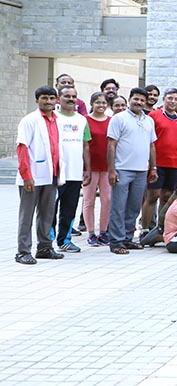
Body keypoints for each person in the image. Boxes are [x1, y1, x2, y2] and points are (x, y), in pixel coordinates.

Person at [15, 86, 65, 265]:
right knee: (26, 214)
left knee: (47, 213)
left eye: (52, 98)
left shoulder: (58, 121)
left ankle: (44, 247)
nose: (49, 102)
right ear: (37, 100)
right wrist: (27, 175)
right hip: (32, 176)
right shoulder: (29, 120)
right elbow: (22, 148)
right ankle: (23, 251)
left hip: (51, 174)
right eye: (44, 98)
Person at [107, 88, 158, 255]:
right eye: (136, 99)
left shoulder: (148, 121)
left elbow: (152, 146)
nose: (139, 103)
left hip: (142, 170)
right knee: (118, 207)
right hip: (121, 169)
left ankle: (128, 239)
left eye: (142, 100)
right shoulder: (118, 118)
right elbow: (111, 145)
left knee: (134, 207)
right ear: (130, 99)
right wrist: (111, 170)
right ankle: (116, 241)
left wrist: (154, 168)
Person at [144, 88, 177, 234]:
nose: (173, 102)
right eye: (170, 98)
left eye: (176, 99)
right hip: (156, 163)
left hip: (174, 164)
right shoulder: (153, 115)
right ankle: (145, 229)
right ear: (163, 99)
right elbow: (147, 139)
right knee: (152, 195)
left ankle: (161, 229)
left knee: (167, 197)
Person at [52, 86, 92, 254]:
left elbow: (85, 145)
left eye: (74, 96)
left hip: (75, 173)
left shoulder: (82, 120)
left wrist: (87, 169)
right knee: (50, 208)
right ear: (58, 99)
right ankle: (47, 240)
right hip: (55, 172)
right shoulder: (53, 118)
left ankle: (65, 240)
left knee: (69, 208)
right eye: (67, 96)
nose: (71, 99)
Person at [83, 91, 112, 247]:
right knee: (89, 200)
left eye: (103, 103)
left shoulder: (111, 121)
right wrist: (85, 167)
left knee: (107, 200)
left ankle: (103, 231)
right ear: (92, 104)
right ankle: (90, 233)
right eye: (98, 102)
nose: (101, 105)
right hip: (90, 166)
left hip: (107, 166)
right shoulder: (85, 120)